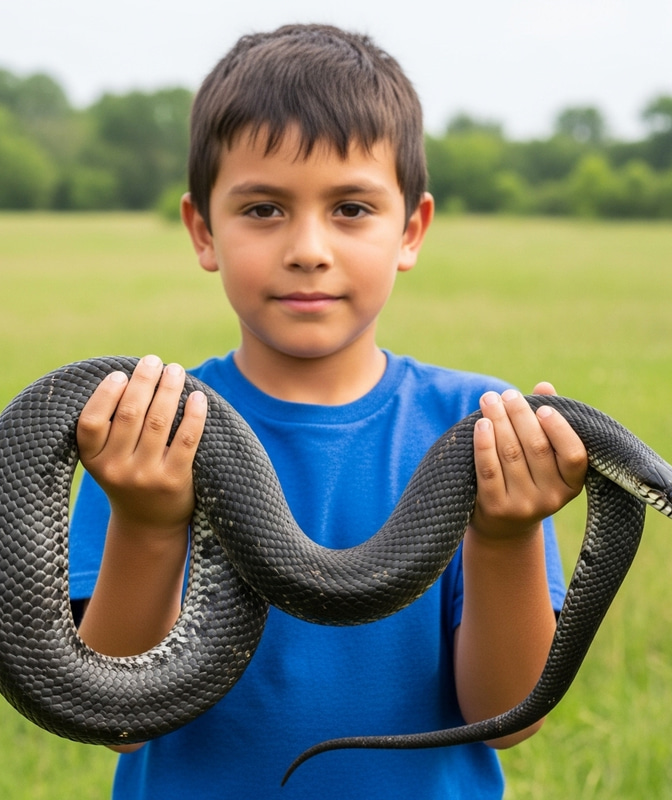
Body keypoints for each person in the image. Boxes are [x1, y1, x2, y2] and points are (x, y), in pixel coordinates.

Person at [69, 23, 587, 799]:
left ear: (410, 230)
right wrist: (147, 521)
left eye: (350, 208)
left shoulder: (480, 428)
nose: (308, 247)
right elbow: (116, 719)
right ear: (203, 231)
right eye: (264, 210)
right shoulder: (149, 428)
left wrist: (508, 535)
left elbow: (508, 717)